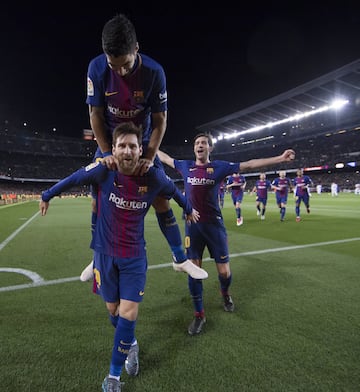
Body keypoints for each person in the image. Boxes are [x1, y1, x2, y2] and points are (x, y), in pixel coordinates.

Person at [39, 123, 205, 392]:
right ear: (112, 150)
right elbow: (74, 178)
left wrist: (188, 208)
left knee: (128, 313)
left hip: (134, 258)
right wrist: (47, 195)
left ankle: (113, 377)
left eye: (132, 146)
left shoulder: (153, 176)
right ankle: (131, 344)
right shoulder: (104, 169)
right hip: (104, 256)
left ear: (141, 150)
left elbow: (173, 192)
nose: (127, 151)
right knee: (113, 312)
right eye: (122, 146)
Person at [81, 13, 206, 282]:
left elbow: (161, 121)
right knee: (98, 203)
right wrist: (106, 153)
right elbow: (95, 116)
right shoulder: (96, 68)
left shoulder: (153, 72)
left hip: (142, 146)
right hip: (112, 146)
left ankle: (179, 259)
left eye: (124, 65)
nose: (119, 71)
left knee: (161, 199)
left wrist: (148, 157)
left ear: (136, 49)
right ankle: (96, 257)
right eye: (113, 66)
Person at [158, 133, 296, 335]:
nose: (200, 145)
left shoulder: (220, 167)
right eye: (197, 143)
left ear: (210, 148)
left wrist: (280, 158)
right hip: (193, 226)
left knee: (224, 272)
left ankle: (225, 294)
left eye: (204, 143)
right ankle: (199, 315)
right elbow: (164, 157)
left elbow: (248, 165)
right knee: (194, 272)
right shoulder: (185, 166)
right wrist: (146, 146)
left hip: (214, 226)